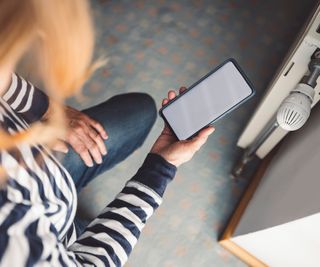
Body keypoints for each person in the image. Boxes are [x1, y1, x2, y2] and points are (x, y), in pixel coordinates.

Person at [0, 1, 214, 266]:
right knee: (97, 233)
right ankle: (78, 231)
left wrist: (45, 108)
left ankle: (77, 224)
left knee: (140, 111)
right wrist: (162, 166)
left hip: (43, 175)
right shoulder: (14, 249)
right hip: (57, 236)